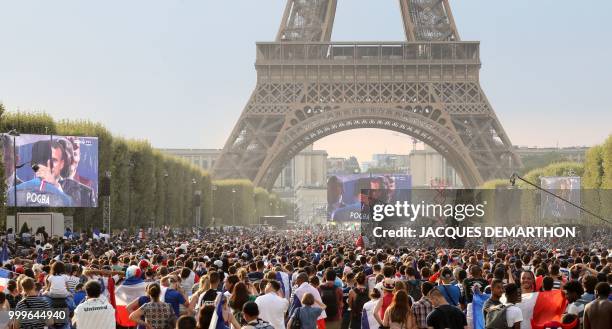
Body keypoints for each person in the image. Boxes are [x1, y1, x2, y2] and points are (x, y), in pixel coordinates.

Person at [8, 139, 73, 207]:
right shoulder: (15, 193)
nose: (49, 166)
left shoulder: (70, 192)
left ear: (62, 163)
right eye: (43, 160)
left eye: (54, 160)